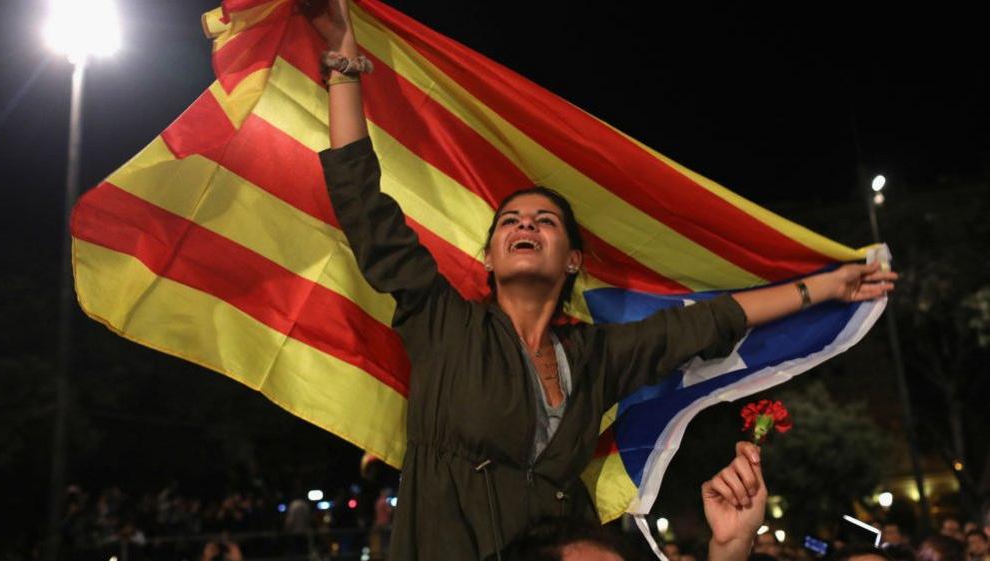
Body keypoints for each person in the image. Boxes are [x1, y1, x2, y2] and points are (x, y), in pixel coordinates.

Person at [303, 1, 898, 559]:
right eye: (509, 221)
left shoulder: (594, 357)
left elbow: (710, 320)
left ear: (572, 262)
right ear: (488, 257)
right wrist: (344, 67)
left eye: (544, 221)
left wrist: (827, 287)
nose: (525, 225)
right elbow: (365, 211)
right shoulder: (445, 325)